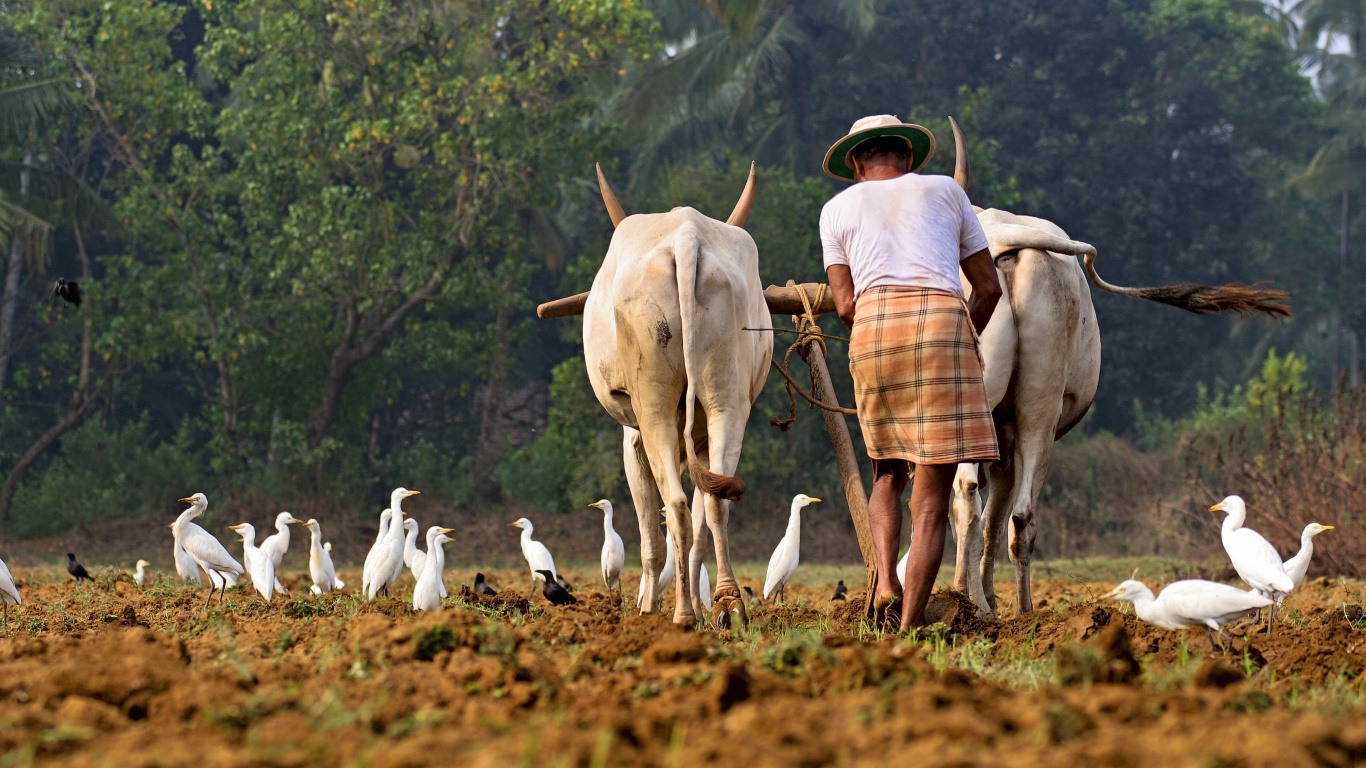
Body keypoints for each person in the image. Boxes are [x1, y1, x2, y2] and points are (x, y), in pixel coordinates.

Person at [819, 114, 1002, 629]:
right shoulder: (946, 190)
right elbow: (988, 288)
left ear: (856, 162)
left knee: (886, 468)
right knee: (931, 503)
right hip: (944, 327)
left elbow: (845, 303)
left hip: (875, 332)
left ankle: (884, 581)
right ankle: (907, 629)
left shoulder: (835, 209)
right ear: (907, 156)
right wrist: (961, 334)